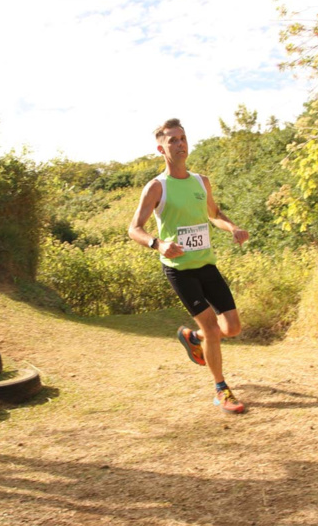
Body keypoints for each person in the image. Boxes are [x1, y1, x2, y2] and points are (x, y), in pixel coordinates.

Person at [128, 118, 250, 414]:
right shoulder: (156, 187)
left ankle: (192, 338)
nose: (180, 144)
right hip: (179, 269)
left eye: (182, 138)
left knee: (232, 328)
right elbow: (134, 228)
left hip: (206, 265)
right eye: (172, 140)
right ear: (161, 148)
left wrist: (232, 227)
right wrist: (158, 244)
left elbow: (214, 213)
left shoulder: (201, 182)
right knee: (210, 325)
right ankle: (221, 389)